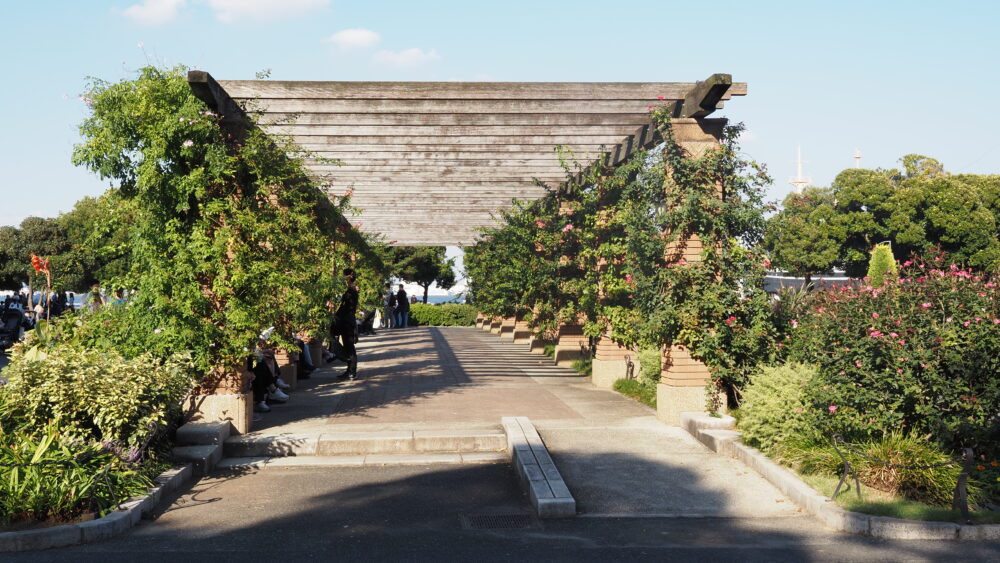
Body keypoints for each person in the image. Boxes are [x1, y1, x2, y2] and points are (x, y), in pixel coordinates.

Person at [330, 268, 359, 380]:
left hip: (348, 322)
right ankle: (349, 370)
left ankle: (352, 371)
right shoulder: (350, 290)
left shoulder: (351, 291)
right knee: (348, 346)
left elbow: (346, 307)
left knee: (350, 347)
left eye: (344, 276)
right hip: (345, 322)